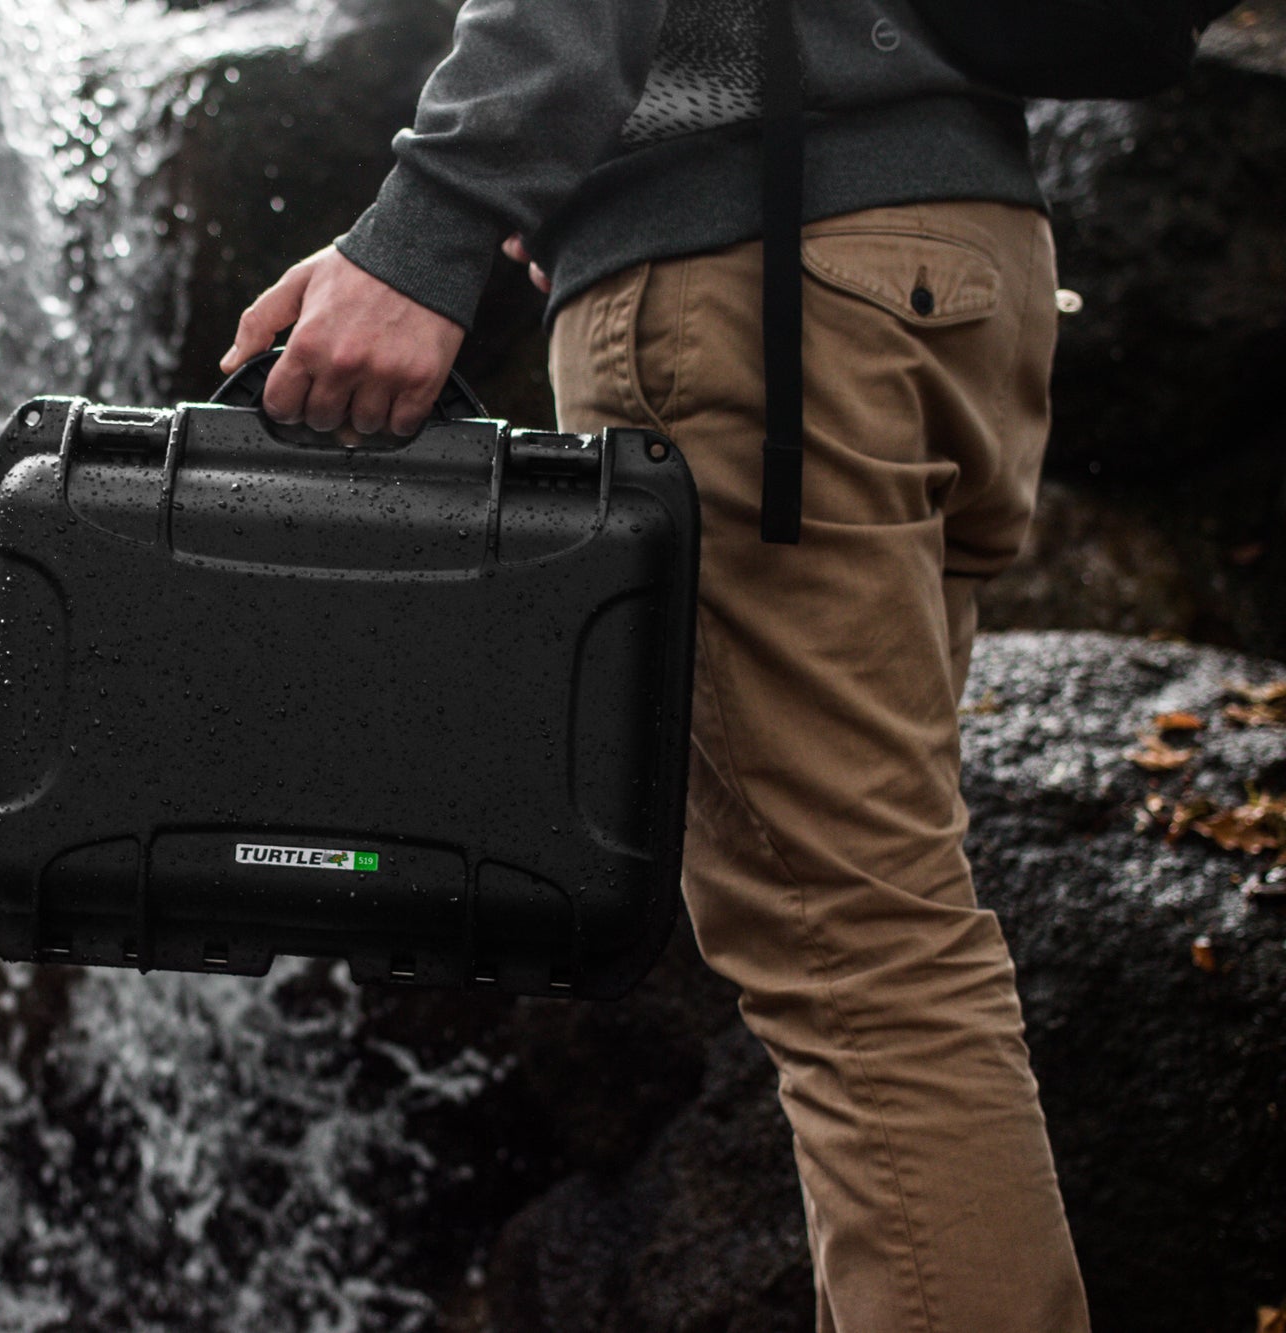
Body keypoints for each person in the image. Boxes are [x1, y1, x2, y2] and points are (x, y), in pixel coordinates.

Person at [220, 1, 1092, 1328]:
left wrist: (427, 227)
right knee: (893, 928)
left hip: (759, 269)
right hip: (962, 253)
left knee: (860, 956)